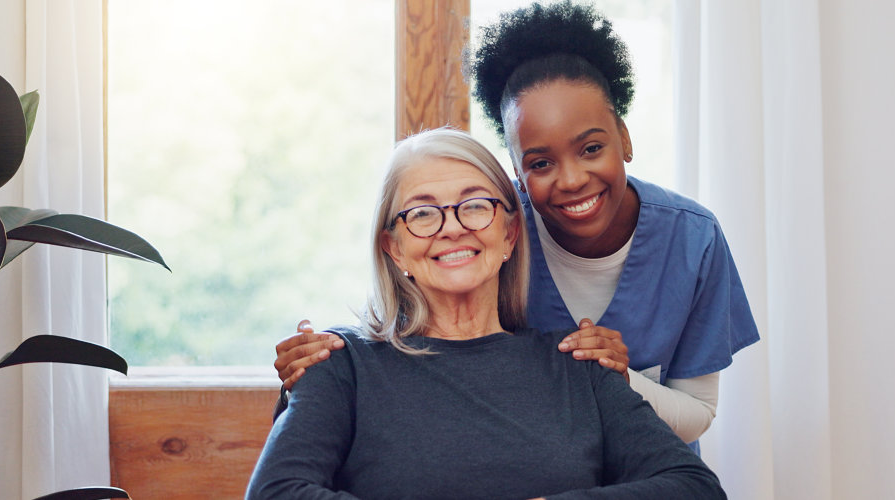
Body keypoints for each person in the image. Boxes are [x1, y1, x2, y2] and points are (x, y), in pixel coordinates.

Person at [273, 1, 759, 443]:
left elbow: (698, 412)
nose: (571, 179)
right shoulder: (490, 233)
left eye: (592, 148)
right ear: (516, 174)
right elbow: (417, 338)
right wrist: (333, 355)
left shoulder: (694, 240)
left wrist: (618, 374)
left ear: (625, 138)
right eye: (540, 163)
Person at [246, 129, 723, 499]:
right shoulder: (339, 365)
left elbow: (693, 488)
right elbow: (275, 493)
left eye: (475, 206)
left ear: (510, 234)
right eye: (422, 214)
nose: (452, 228)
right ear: (394, 248)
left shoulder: (577, 364)